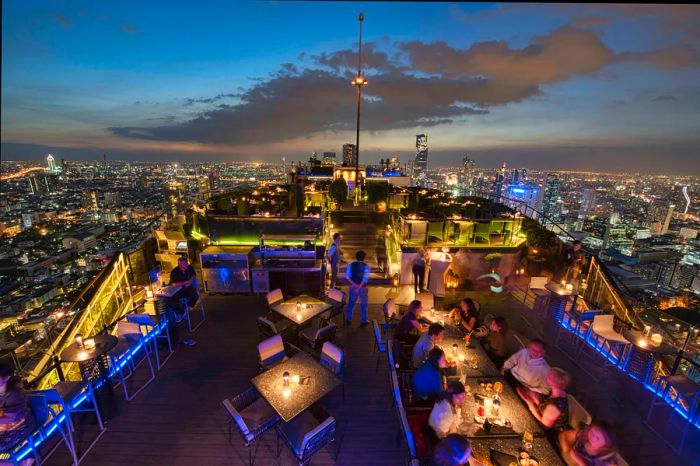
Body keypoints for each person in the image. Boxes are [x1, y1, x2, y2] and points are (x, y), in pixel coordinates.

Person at [0, 364, 35, 466]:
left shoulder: (14, 394)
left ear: (7, 377)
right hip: (6, 429)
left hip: (20, 427)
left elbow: (10, 418)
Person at [523, 368, 570, 436]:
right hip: (545, 420)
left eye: (549, 376)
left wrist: (530, 403)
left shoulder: (555, 406)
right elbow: (546, 406)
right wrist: (534, 398)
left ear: (552, 381)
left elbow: (543, 426)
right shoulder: (559, 392)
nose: (547, 375)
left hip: (549, 435)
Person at [168, 255, 197, 346]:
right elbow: (174, 284)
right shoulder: (175, 272)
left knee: (194, 295)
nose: (187, 265)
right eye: (184, 264)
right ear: (180, 265)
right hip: (179, 288)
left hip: (188, 288)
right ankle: (180, 313)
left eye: (186, 263)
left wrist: (190, 281)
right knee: (172, 298)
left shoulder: (190, 268)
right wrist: (186, 282)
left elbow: (193, 275)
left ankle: (187, 309)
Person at [345, 250, 370, 326]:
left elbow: (347, 277)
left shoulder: (350, 265)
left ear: (356, 257)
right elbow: (365, 279)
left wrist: (355, 285)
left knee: (351, 304)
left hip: (353, 287)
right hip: (362, 288)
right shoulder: (366, 267)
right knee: (363, 305)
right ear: (364, 258)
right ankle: (363, 321)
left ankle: (348, 320)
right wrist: (359, 287)